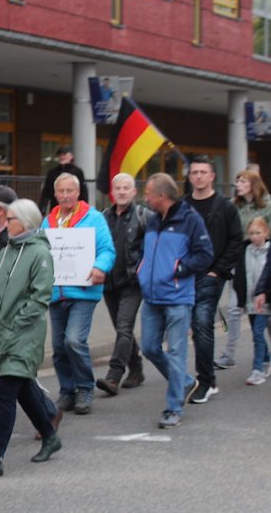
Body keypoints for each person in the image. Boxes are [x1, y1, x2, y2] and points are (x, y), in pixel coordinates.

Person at [0, 199, 59, 480]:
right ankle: (50, 435)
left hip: (23, 335)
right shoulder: (7, 250)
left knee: (5, 394)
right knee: (23, 390)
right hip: (1, 333)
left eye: (11, 220)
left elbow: (40, 297)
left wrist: (15, 324)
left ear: (27, 222)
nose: (6, 224)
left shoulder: (40, 252)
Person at [139, 174, 213, 428]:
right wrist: (143, 268)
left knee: (176, 350)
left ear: (161, 196)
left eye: (148, 193)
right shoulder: (152, 219)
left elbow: (205, 255)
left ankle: (173, 408)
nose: (144, 197)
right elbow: (146, 250)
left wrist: (178, 269)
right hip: (151, 296)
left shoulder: (190, 219)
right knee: (149, 347)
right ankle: (184, 381)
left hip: (178, 298)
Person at [43, 173, 115, 415]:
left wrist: (100, 267)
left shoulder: (93, 218)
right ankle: (67, 390)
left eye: (69, 191)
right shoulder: (48, 221)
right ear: (55, 194)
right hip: (56, 293)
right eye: (61, 191)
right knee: (59, 347)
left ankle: (85, 387)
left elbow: (107, 250)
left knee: (74, 340)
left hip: (83, 291)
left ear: (78, 193)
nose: (65, 196)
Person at [183, 155, 242, 404]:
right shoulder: (183, 205)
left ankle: (205, 381)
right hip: (186, 275)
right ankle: (205, 378)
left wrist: (218, 270)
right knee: (195, 327)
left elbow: (236, 240)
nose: (198, 176)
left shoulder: (225, 207)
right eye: (194, 172)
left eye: (203, 172)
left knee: (202, 322)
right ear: (189, 176)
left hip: (211, 275)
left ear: (212, 176)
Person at [95, 173, 148, 395]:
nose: (122, 192)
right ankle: (136, 370)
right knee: (121, 328)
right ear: (112, 192)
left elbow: (151, 246)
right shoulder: (103, 216)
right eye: (118, 188)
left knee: (124, 326)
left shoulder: (143, 215)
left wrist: (142, 271)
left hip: (132, 282)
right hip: (109, 282)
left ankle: (113, 377)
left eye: (127, 188)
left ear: (134, 191)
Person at [216, 169, 271, 369]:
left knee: (262, 310)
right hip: (238, 260)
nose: (238, 184)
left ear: (253, 184)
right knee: (234, 308)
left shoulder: (267, 205)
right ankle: (229, 354)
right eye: (237, 181)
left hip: (263, 260)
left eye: (242, 181)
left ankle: (265, 353)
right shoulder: (233, 206)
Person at [235, 217, 271, 385]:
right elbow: (240, 275)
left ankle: (258, 370)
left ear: (266, 233)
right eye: (251, 233)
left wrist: (265, 292)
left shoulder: (269, 251)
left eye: (258, 233)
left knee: (257, 333)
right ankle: (266, 358)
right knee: (257, 333)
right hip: (249, 299)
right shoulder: (245, 250)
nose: (255, 237)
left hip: (264, 300)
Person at [38, 146, 88, 214]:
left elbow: (83, 192)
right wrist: (42, 208)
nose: (62, 157)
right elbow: (46, 192)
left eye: (64, 154)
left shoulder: (78, 172)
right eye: (60, 155)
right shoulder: (52, 173)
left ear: (71, 156)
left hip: (75, 210)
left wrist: (84, 208)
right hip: (56, 209)